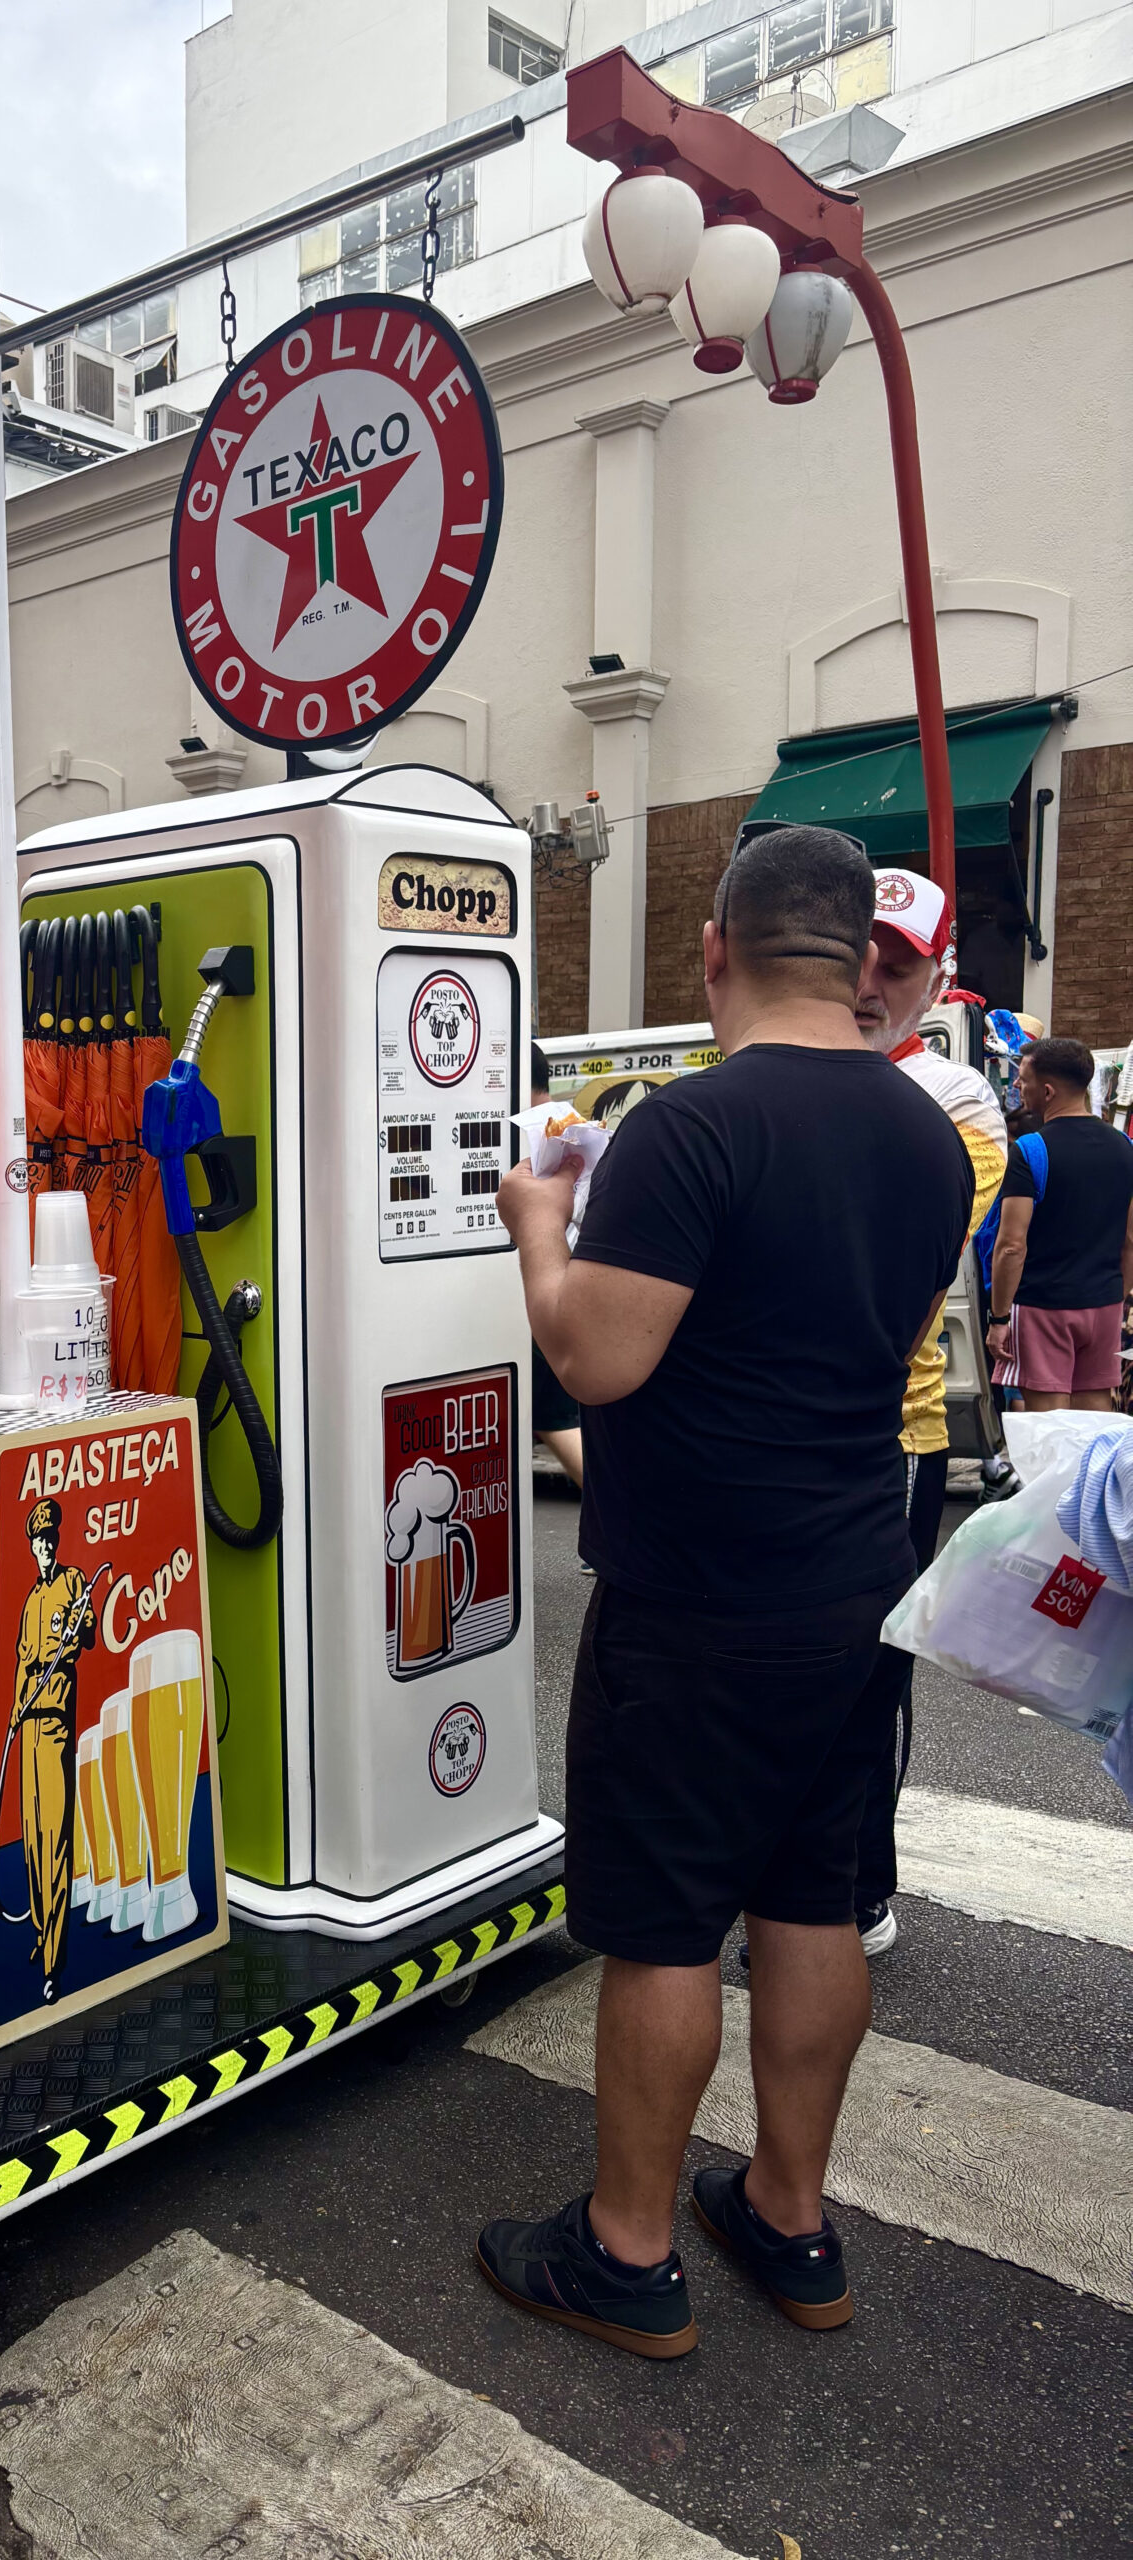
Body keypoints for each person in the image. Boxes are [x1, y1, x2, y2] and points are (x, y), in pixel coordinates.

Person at [477, 827, 971, 2359]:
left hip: (696, 1596)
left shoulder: (694, 1130)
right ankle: (788, 2212)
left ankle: (626, 2252)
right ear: (860, 957)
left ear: (715, 952)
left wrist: (540, 1226)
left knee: (671, 1923)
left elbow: (597, 1358)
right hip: (855, 1578)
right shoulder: (926, 1137)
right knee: (814, 1898)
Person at [849, 866, 1007, 1955]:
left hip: (889, 1435)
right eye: (849, 951)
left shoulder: (954, 1099)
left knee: (867, 1673)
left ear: (937, 979)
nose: (865, 981)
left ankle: (857, 1887)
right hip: (772, 1433)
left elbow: (894, 1258)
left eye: (895, 964)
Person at [986, 1036, 1133, 1414]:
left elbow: (1010, 1246)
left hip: (1042, 1307)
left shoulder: (1030, 1150)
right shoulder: (1125, 1147)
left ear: (1047, 1091)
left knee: (1050, 1428)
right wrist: (1115, 1297)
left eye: (1023, 1079)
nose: (1018, 1086)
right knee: (1095, 1421)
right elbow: (1131, 1239)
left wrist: (999, 1317)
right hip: (1103, 1305)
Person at [10, 1498, 96, 2001]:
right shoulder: (30, 1602)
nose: (44, 1547)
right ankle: (41, 1935)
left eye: (49, 1539)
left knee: (56, 1839)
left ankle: (53, 1961)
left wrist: (73, 1630)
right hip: (28, 1731)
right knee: (30, 1842)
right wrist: (11, 1719)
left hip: (57, 1726)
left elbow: (85, 1635)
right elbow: (23, 1664)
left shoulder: (71, 1584)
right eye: (37, 1541)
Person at [527, 1043, 584, 1493]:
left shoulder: (531, 1132)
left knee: (553, 1419)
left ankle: (621, 1527)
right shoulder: (579, 1125)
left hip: (547, 1291)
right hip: (586, 1284)